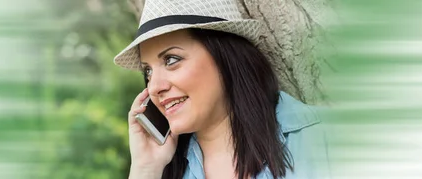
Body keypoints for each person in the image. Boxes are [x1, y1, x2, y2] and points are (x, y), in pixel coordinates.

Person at [113, 0, 330, 179]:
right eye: (148, 72)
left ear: (225, 57)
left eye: (171, 59)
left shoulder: (320, 140)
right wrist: (145, 169)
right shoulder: (165, 168)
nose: (154, 88)